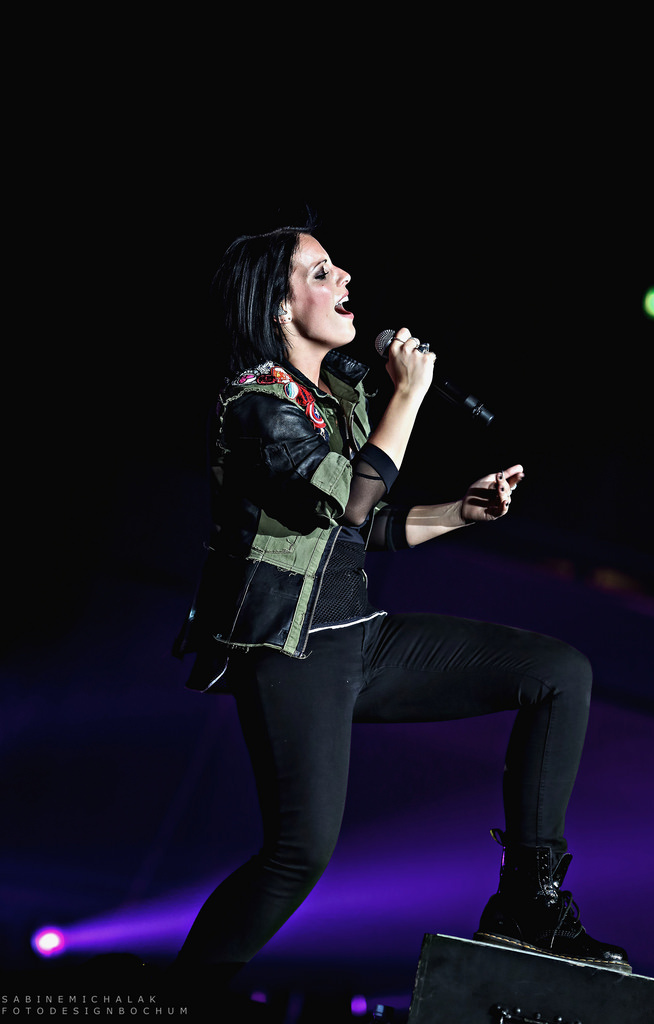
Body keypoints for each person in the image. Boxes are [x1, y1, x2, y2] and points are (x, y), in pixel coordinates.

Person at [172, 224, 630, 982]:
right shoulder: (257, 406)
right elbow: (351, 500)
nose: (344, 277)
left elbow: (364, 528)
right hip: (292, 651)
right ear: (279, 306)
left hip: (360, 636)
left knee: (556, 672)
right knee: (297, 855)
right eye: (321, 272)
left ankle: (527, 901)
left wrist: (458, 513)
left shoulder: (333, 395)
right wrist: (409, 394)